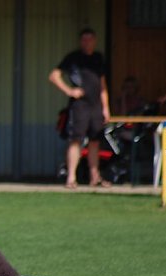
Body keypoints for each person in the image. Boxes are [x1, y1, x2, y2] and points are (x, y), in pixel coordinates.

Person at [49, 28, 111, 189]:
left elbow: (103, 85)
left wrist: (106, 107)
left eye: (90, 39)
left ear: (95, 41)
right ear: (80, 41)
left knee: (95, 140)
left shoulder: (98, 58)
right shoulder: (73, 58)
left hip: (96, 105)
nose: (87, 42)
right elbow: (54, 76)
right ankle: (71, 178)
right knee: (75, 139)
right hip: (80, 106)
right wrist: (69, 91)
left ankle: (94, 176)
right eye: (84, 39)